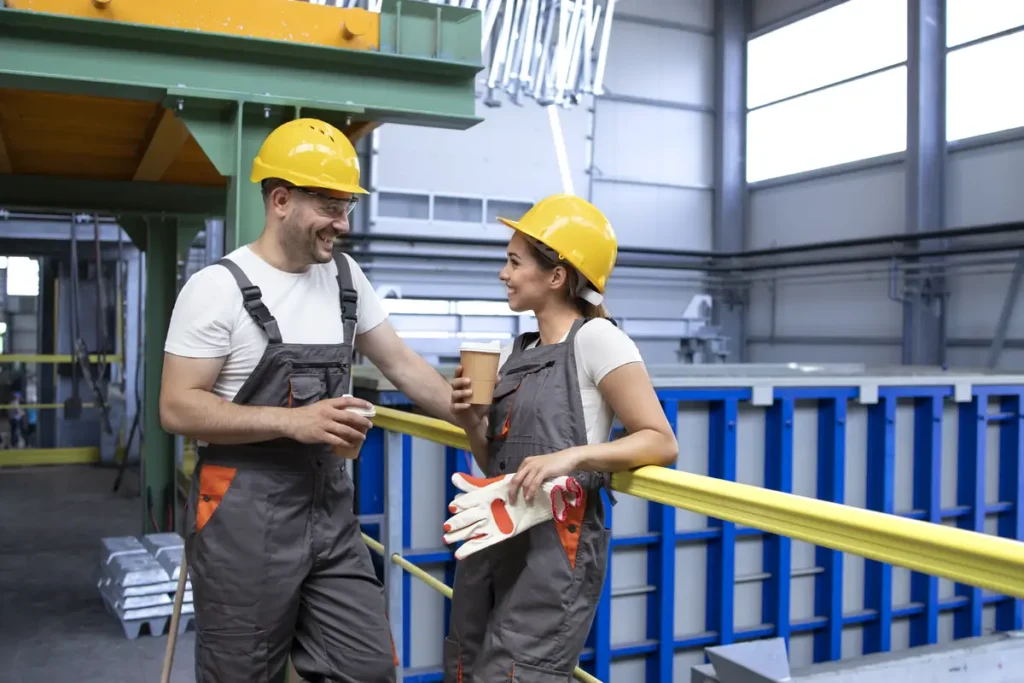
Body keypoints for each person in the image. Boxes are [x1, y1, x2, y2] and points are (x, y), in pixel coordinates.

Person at [158, 118, 457, 683]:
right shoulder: (216, 289)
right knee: (242, 672)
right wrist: (295, 422)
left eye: (346, 208)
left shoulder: (344, 276)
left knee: (366, 667)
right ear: (280, 200)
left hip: (329, 510)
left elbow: (401, 364)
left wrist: (476, 421)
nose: (342, 224)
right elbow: (176, 408)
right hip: (243, 510)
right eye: (330, 208)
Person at [441, 194, 679, 682]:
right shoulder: (514, 351)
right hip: (497, 534)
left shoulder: (597, 340)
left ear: (556, 275)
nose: (503, 274)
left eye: (513, 261)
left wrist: (571, 457)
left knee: (515, 674)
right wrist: (470, 420)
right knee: (466, 665)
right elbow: (496, 464)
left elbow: (659, 440)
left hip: (554, 549)